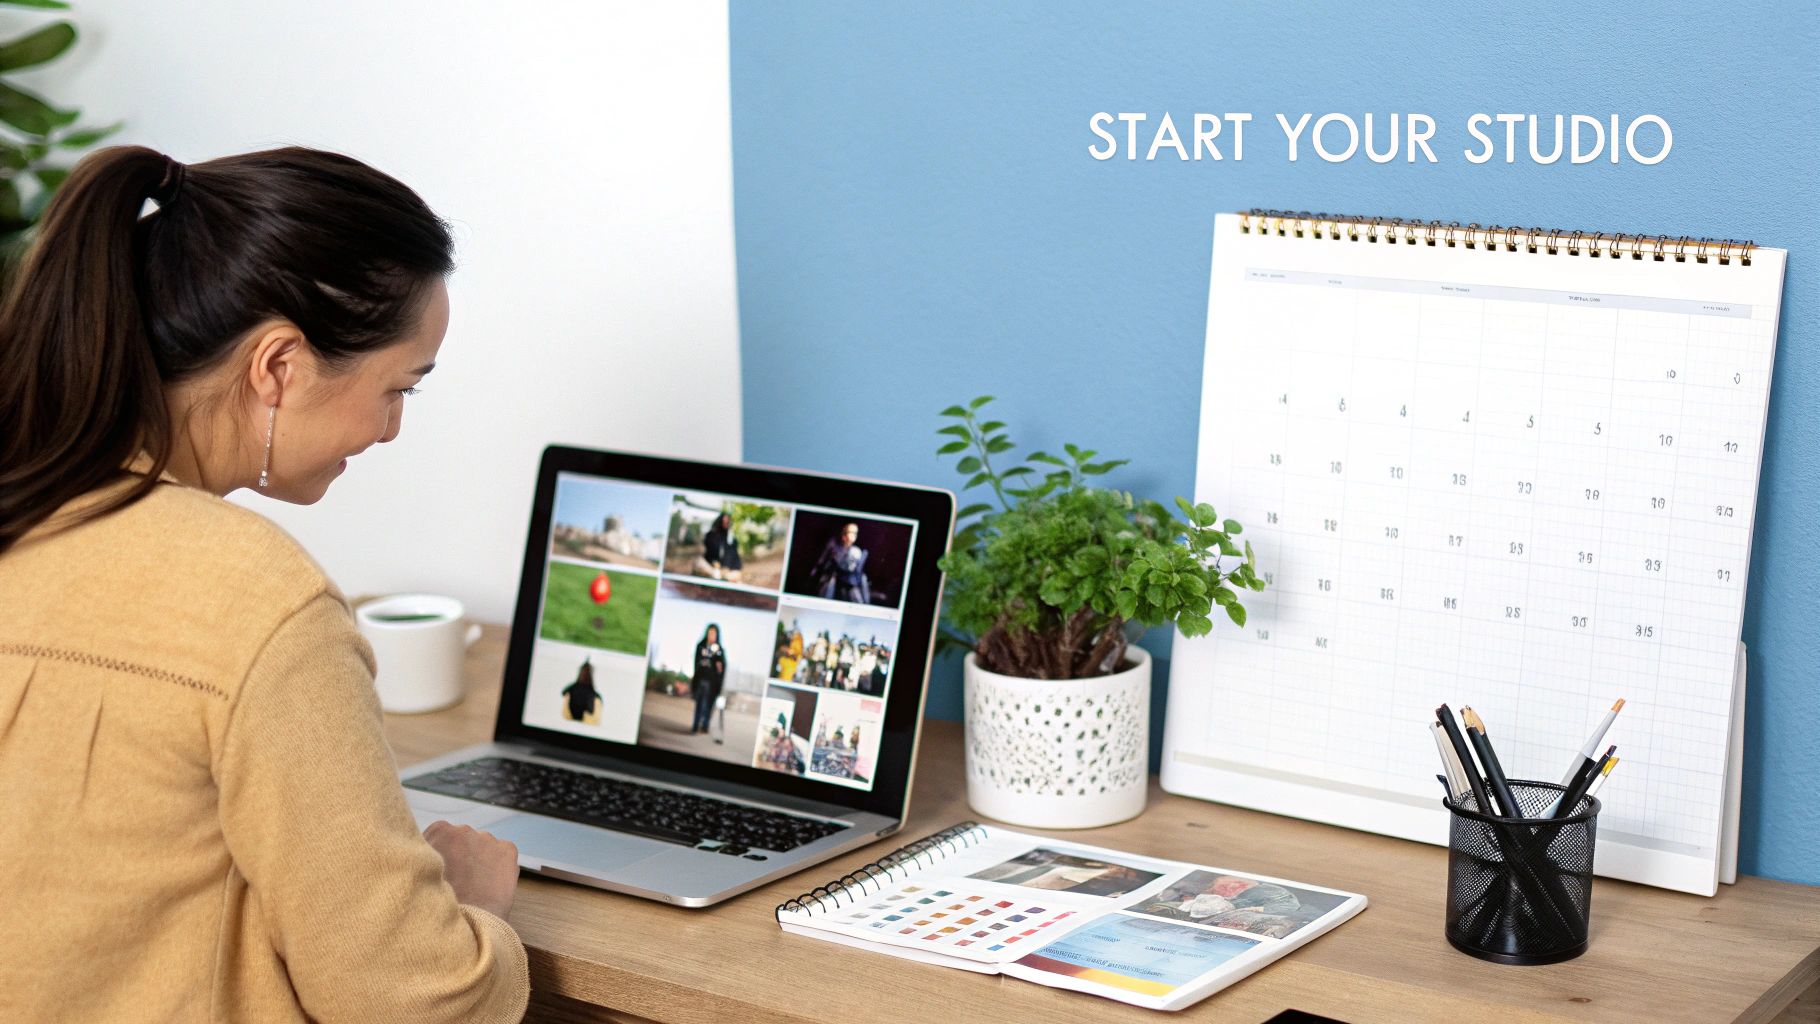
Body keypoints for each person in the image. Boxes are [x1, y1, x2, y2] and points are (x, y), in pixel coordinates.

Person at [0, 146, 528, 1022]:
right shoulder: (255, 597)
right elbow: (411, 1001)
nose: (391, 430)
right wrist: (470, 908)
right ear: (278, 366)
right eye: (399, 388)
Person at [811, 521, 871, 604]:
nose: (854, 535)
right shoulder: (835, 548)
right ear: (844, 535)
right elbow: (825, 562)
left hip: (849, 582)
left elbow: (856, 570)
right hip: (834, 579)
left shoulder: (857, 551)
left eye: (855, 533)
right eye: (851, 532)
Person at [689, 624, 727, 734]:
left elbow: (722, 666)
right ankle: (695, 725)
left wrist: (719, 663)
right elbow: (696, 663)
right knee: (699, 703)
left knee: (708, 704)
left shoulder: (719, 649)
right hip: (701, 679)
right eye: (710, 633)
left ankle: (705, 725)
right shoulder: (700, 646)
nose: (711, 635)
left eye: (714, 633)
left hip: (712, 682)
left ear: (717, 635)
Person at [696, 510, 744, 582]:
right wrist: (715, 568)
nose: (726, 524)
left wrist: (726, 568)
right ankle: (717, 576)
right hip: (712, 569)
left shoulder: (732, 539)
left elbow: (734, 558)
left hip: (728, 571)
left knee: (737, 575)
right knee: (699, 562)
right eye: (724, 521)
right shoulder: (711, 536)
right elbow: (709, 553)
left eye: (728, 522)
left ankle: (721, 578)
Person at [562, 657, 603, 724]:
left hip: (577, 715)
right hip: (580, 715)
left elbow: (563, 692)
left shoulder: (574, 687)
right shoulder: (590, 691)